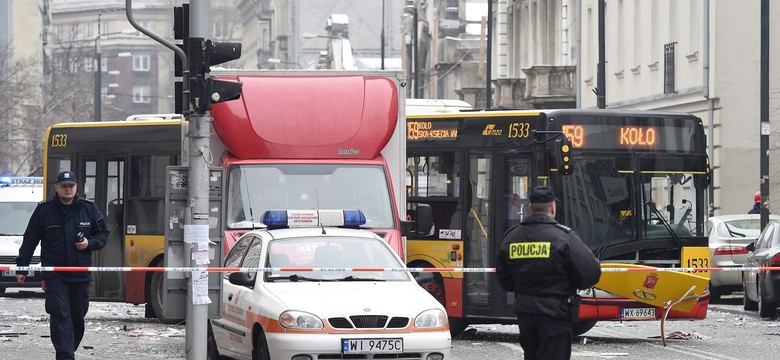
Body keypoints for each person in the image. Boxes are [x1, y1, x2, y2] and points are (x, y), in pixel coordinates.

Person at [495, 186, 601, 360]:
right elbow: (591, 272)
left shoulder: (512, 238)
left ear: (530, 208)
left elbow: (504, 279)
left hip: (526, 315)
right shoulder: (563, 237)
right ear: (553, 208)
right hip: (555, 314)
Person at [15, 170, 110, 360]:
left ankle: (68, 348)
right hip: (54, 273)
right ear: (56, 187)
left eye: (71, 186)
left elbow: (103, 234)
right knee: (60, 313)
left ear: (76, 187)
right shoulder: (44, 210)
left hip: (80, 273)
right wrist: (22, 267)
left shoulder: (88, 209)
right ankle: (65, 355)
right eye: (64, 186)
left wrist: (88, 244)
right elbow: (29, 240)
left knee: (77, 316)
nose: (68, 189)